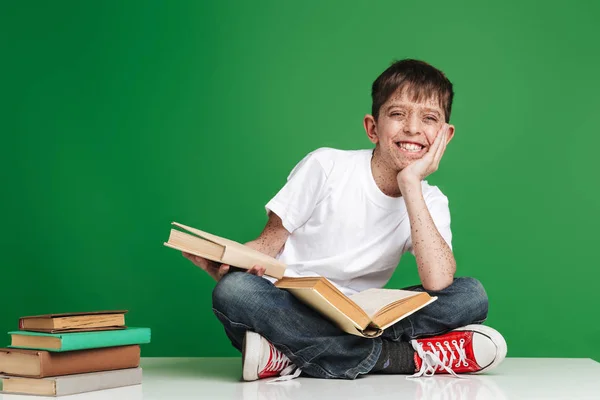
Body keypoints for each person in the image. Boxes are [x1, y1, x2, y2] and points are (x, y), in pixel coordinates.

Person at [183, 59, 507, 381]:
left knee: (470, 295)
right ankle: (398, 358)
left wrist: (411, 184)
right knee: (234, 291)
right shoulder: (326, 166)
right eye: (397, 114)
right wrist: (228, 263)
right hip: (291, 305)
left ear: (444, 136)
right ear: (372, 128)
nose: (412, 128)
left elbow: (437, 281)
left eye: (429, 118)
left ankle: (287, 354)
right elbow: (268, 243)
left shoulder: (430, 199)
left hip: (365, 316)